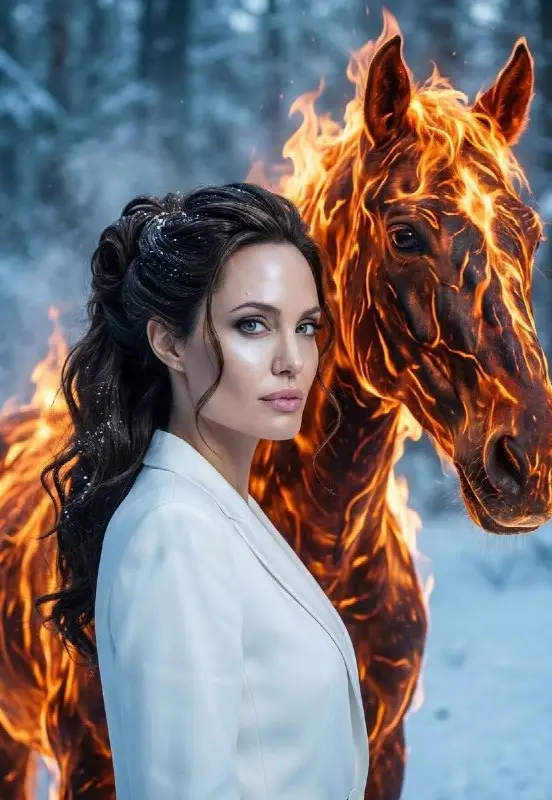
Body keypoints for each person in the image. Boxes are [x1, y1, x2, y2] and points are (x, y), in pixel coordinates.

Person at [36, 183, 369, 799]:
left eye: (306, 326)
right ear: (168, 343)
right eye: (252, 326)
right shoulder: (176, 530)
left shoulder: (222, 512)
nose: (292, 359)